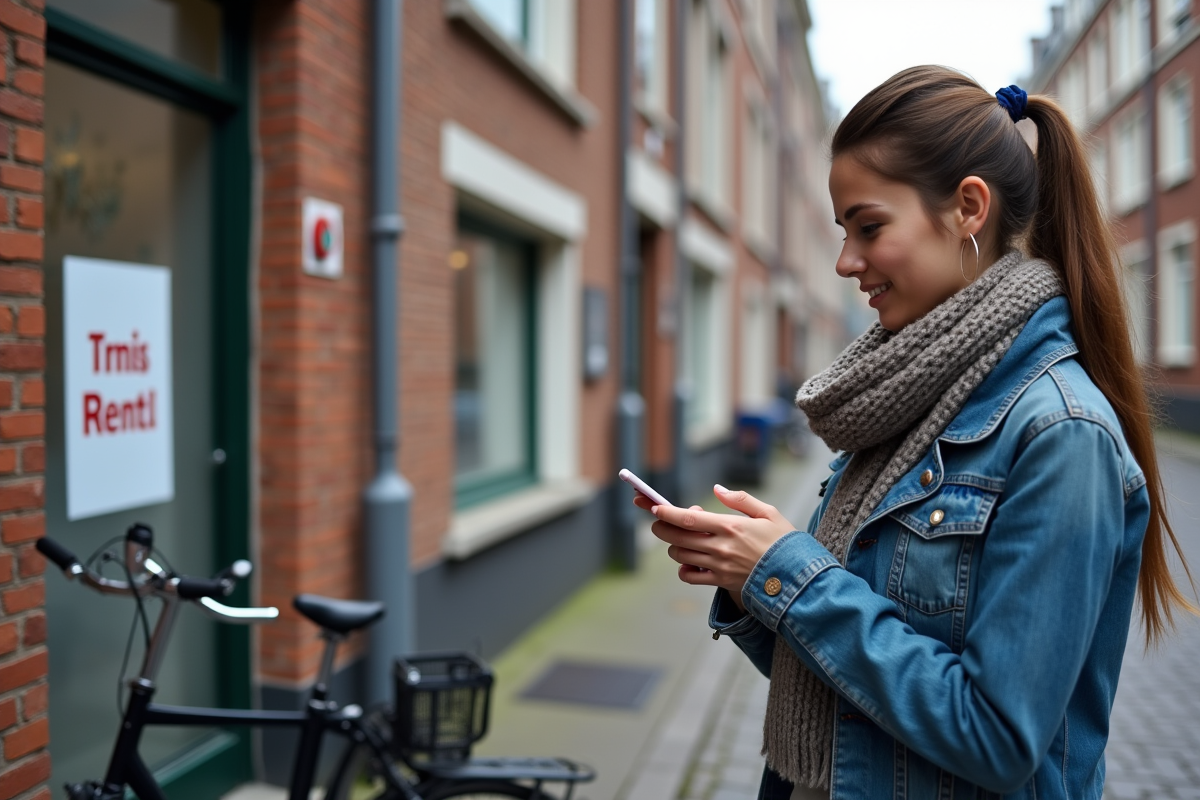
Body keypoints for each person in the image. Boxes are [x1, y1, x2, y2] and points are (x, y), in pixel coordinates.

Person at [633, 66, 1198, 800]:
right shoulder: (903, 409)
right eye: (843, 232)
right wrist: (750, 583)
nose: (845, 262)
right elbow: (852, 687)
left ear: (968, 208)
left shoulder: (1061, 435)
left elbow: (997, 736)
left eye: (869, 227)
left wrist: (792, 577)